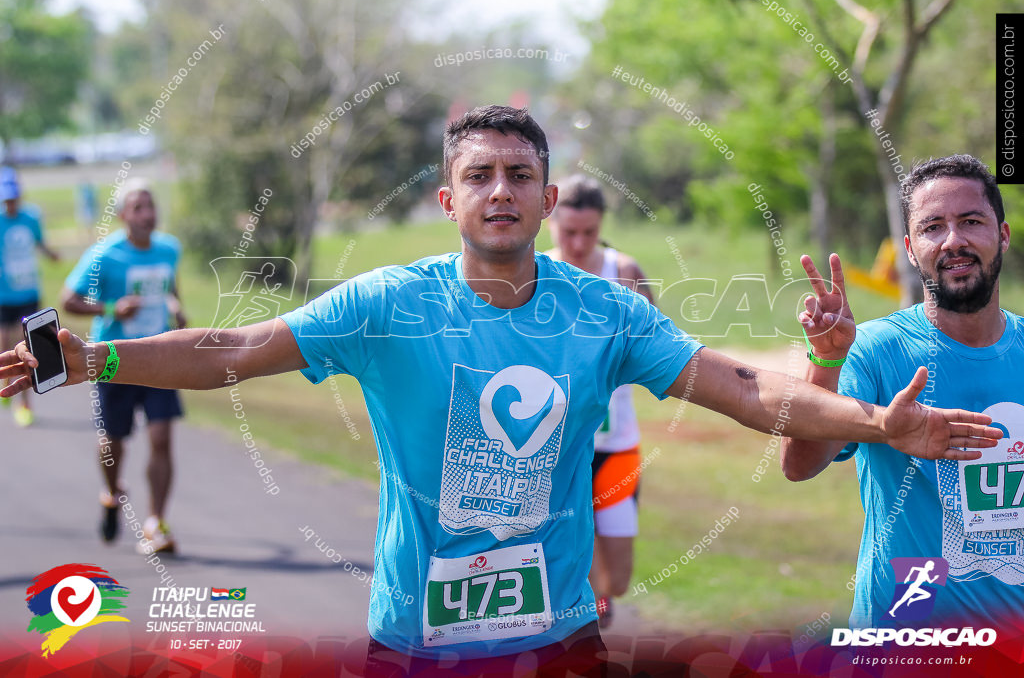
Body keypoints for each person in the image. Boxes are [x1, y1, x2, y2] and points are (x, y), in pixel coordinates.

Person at [0, 109, 998, 673]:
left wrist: (871, 420)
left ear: (548, 196)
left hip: (559, 637)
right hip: (414, 637)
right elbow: (235, 345)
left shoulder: (602, 311)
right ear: (449, 198)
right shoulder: (391, 301)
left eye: (520, 172)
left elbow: (743, 389)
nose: (501, 189)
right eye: (479, 174)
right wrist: (98, 361)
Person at [780, 154, 1024, 632]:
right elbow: (799, 464)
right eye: (934, 227)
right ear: (911, 249)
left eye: (971, 221)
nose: (953, 240)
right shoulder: (874, 349)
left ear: (1004, 235)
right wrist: (827, 360)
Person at [544, 174, 652, 627]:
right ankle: (578, 625)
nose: (579, 242)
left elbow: (657, 349)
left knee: (618, 579)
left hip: (616, 447)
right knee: (573, 578)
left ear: (601, 225)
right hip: (556, 448)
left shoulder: (623, 274)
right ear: (551, 221)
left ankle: (590, 607)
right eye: (569, 232)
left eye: (589, 232)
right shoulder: (536, 273)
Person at [61, 178, 187, 554]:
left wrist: (177, 306)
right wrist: (112, 308)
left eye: (151, 205)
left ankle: (155, 523)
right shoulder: (105, 255)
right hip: (114, 359)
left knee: (162, 438)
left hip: (160, 357)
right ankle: (112, 493)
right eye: (138, 207)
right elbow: (68, 299)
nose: (148, 213)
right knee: (113, 443)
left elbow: (169, 287)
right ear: (122, 216)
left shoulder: (169, 249)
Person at [0, 166, 59, 427]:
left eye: (14, 198)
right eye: (6, 199)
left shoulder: (32, 218)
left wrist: (51, 255)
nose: (10, 203)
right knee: (4, 341)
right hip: (4, 294)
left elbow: (39, 242)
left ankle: (24, 404)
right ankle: (4, 382)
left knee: (28, 349)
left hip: (29, 293)